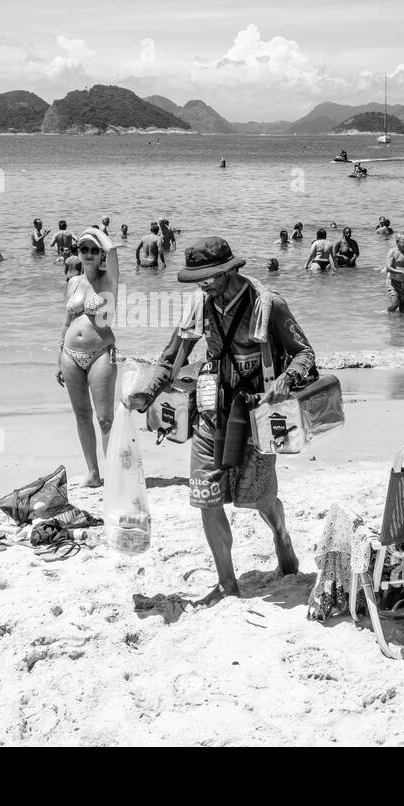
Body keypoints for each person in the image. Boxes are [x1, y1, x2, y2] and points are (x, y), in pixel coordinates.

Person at [125, 236, 314, 605]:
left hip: (257, 410)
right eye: (198, 277)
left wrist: (284, 381)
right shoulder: (197, 305)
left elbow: (304, 353)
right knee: (206, 497)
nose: (204, 283)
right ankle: (228, 583)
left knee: (257, 499)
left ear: (230, 269)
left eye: (210, 276)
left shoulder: (268, 304)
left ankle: (281, 536)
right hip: (211, 408)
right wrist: (146, 393)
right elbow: (172, 356)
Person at [56, 228, 119, 487]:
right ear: (77, 253)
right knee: (82, 415)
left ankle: (114, 474)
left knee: (105, 419)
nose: (89, 254)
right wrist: (58, 355)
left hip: (100, 352)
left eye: (95, 249)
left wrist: (92, 231)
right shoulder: (72, 282)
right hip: (70, 355)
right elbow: (67, 320)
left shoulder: (109, 279)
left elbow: (113, 250)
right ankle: (93, 474)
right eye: (84, 249)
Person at [385, 236, 404, 313]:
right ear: (397, 242)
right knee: (395, 304)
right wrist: (402, 272)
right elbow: (388, 268)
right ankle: (387, 314)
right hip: (393, 282)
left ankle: (400, 324)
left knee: (403, 311)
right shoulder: (392, 252)